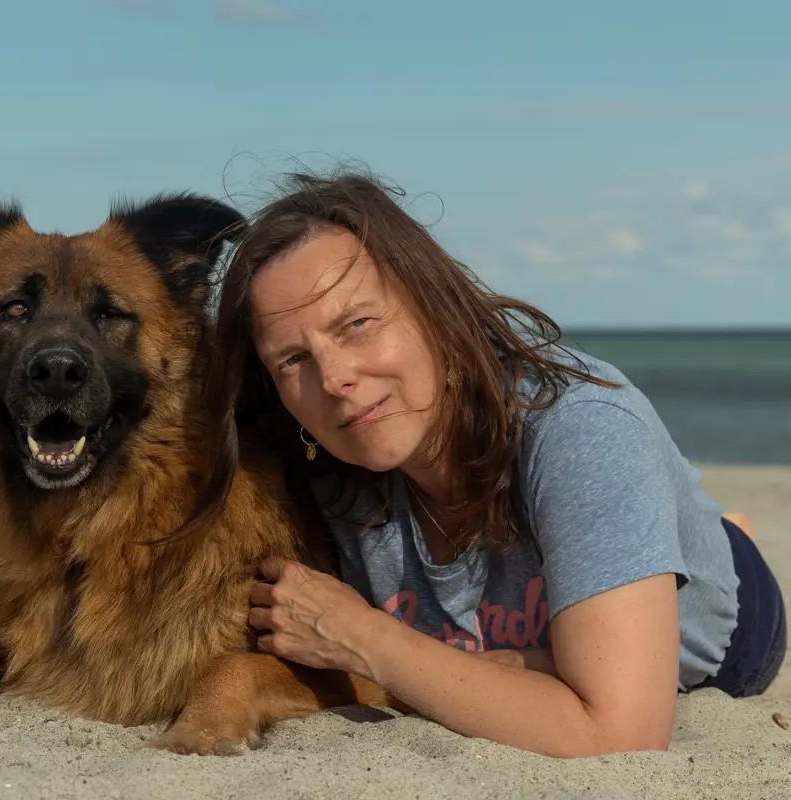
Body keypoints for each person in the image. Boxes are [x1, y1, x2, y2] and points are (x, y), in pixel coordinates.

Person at [185, 171, 785, 757]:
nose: (336, 380)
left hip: (729, 630)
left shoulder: (582, 424)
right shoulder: (317, 463)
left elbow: (619, 735)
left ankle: (712, 534)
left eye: (358, 324)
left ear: (431, 304)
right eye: (293, 359)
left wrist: (361, 635)